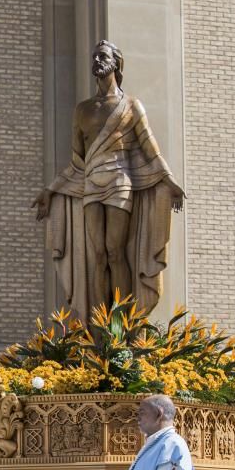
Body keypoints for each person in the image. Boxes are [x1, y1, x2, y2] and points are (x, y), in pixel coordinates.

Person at [32, 39, 184, 316]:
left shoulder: (131, 106)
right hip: (91, 184)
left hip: (119, 182)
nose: (97, 61)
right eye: (94, 57)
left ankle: (122, 320)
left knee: (115, 250)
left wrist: (169, 180)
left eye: (103, 56)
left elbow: (150, 148)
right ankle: (101, 321)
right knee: (97, 255)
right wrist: (50, 190)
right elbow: (78, 160)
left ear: (116, 63)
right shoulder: (83, 109)